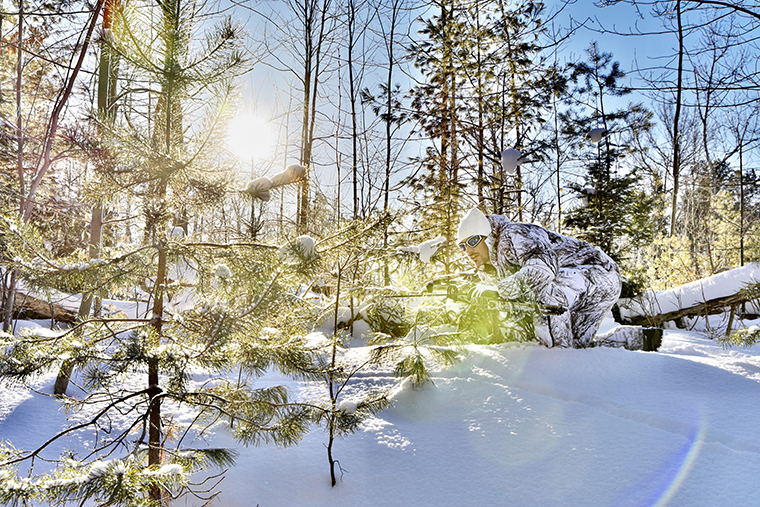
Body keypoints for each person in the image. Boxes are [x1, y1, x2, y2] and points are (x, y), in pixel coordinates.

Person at [457, 207, 622, 348]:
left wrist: (501, 290)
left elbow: (543, 269)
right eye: (463, 246)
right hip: (585, 285)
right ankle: (636, 339)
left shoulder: (515, 234)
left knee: (542, 288)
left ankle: (556, 360)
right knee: (579, 345)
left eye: (473, 240)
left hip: (600, 274)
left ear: (488, 236)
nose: (468, 251)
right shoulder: (491, 267)